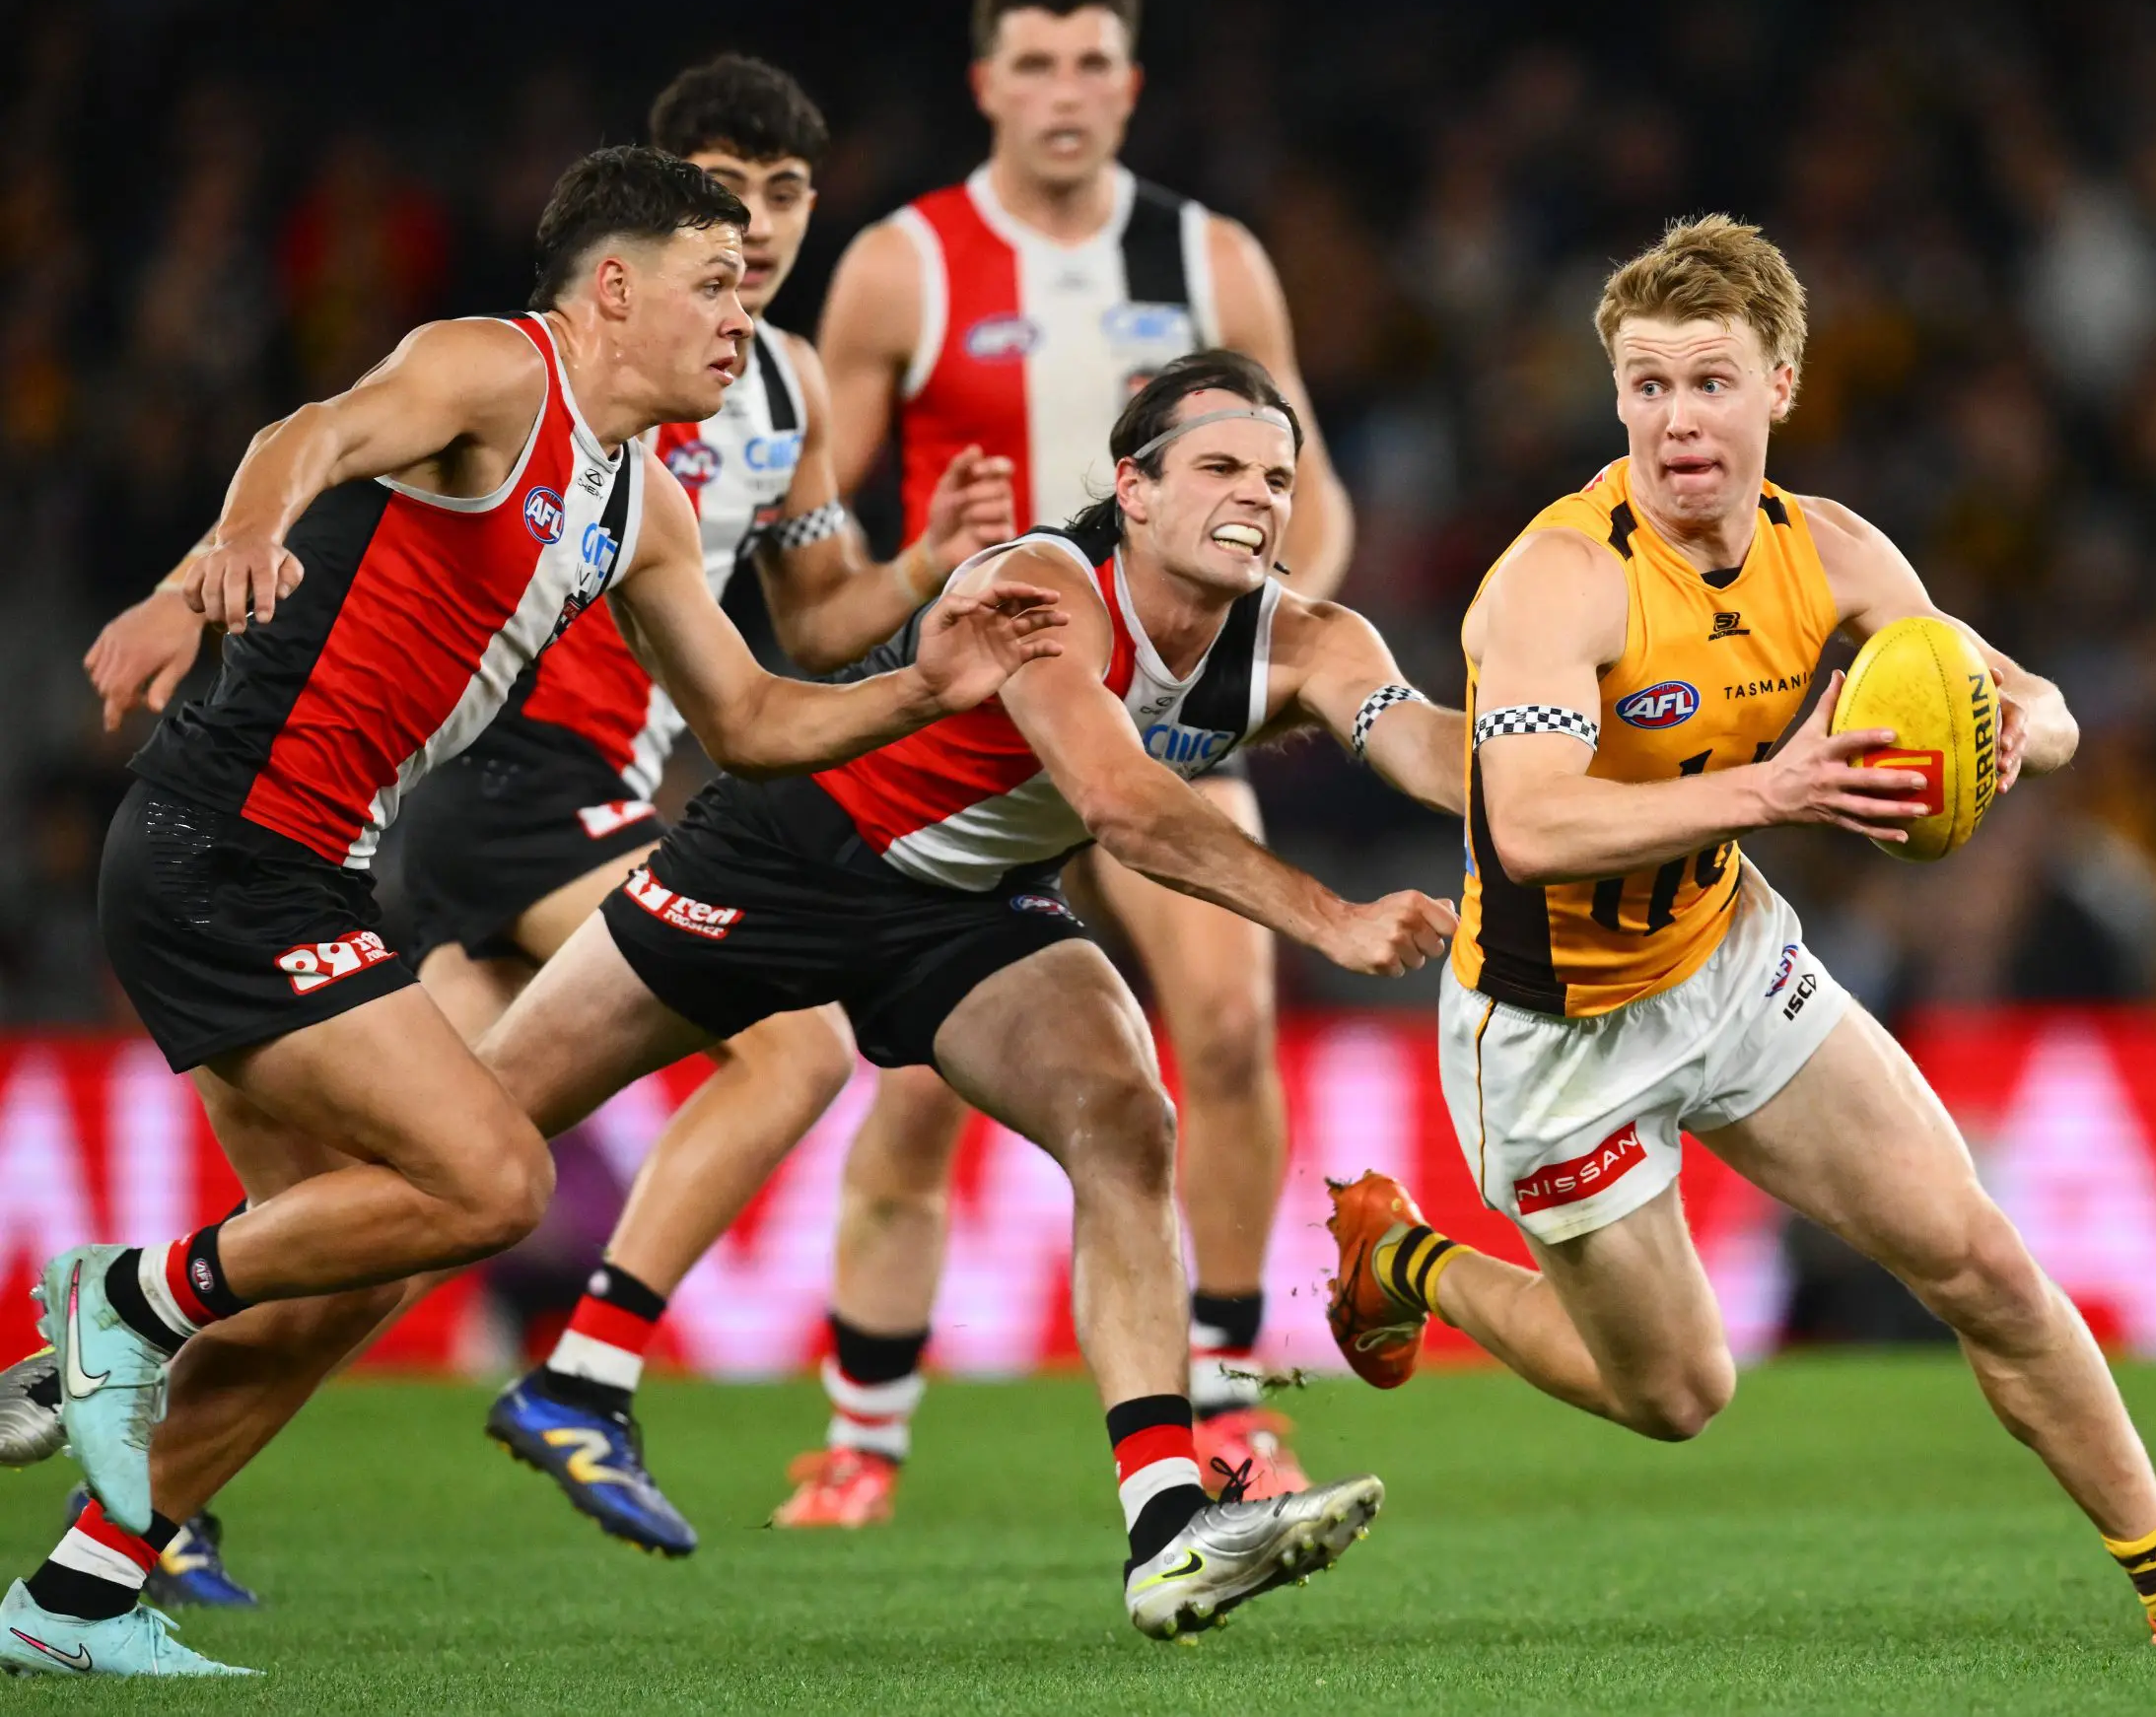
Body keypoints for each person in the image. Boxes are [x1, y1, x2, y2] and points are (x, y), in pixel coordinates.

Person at [62, 350, 1459, 1646]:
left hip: (958, 915)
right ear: (1135, 487)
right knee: (436, 1196)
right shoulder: (1045, 583)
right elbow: (1121, 803)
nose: (1257, 498)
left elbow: (1432, 754)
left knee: (1124, 1117)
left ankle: (1169, 1523)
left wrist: (1601, 753)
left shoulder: (1310, 638)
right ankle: (129, 1482)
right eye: (1221, 469)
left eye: (1277, 477)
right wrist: (1327, 916)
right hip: (781, 859)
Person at [1, 145, 1064, 1681]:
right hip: (220, 853)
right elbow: (313, 429)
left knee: (337, 1288)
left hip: (306, 870)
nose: (739, 314)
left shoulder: (643, 510)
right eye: (714, 283)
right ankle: (122, 1300)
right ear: (613, 288)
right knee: (493, 1179)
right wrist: (222, 554)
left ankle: (79, 1598)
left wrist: (926, 682)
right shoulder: (494, 371)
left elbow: (755, 720)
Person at [1322, 215, 2156, 1651]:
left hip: (1732, 962)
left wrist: (2008, 740)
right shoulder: (1559, 579)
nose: (1677, 419)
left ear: (1783, 386)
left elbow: (2028, 699)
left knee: (1980, 1262)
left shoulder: (1840, 555)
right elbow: (1530, 827)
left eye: (1710, 381)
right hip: (1555, 1026)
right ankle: (1407, 1261)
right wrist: (1777, 787)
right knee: (1679, 1395)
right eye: (1647, 385)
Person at [782, 0, 1356, 1522]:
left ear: (1130, 82)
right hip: (982, 728)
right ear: (986, 84)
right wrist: (869, 604)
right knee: (915, 1073)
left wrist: (1275, 650)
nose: (1063, 91)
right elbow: (809, 505)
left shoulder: (1211, 256)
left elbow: (1318, 483)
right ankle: (862, 1431)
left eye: (1091, 62)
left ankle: (1232, 1404)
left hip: (1166, 721)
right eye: (1032, 64)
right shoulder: (904, 261)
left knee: (1229, 1026)